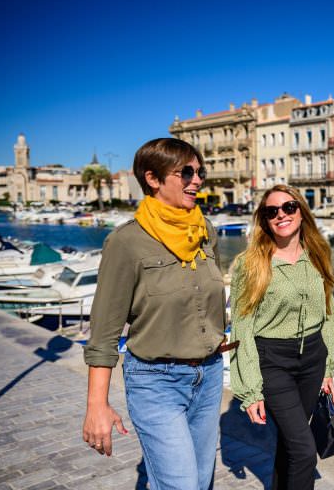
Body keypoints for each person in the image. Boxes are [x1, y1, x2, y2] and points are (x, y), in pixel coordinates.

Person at [82, 138, 231, 490]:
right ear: (153, 178)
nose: (197, 180)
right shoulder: (126, 242)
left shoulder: (204, 231)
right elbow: (103, 333)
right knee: (180, 485)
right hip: (156, 381)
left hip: (208, 377)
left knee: (200, 481)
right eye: (187, 173)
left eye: (200, 172)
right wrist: (96, 406)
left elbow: (211, 297)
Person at [229, 184, 334, 490]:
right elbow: (242, 327)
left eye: (288, 207)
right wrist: (250, 391)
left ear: (301, 212)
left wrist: (329, 366)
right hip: (273, 361)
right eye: (272, 211)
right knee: (305, 451)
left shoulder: (318, 253)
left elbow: (328, 311)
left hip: (313, 359)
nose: (281, 215)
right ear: (264, 220)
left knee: (292, 444)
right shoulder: (251, 264)